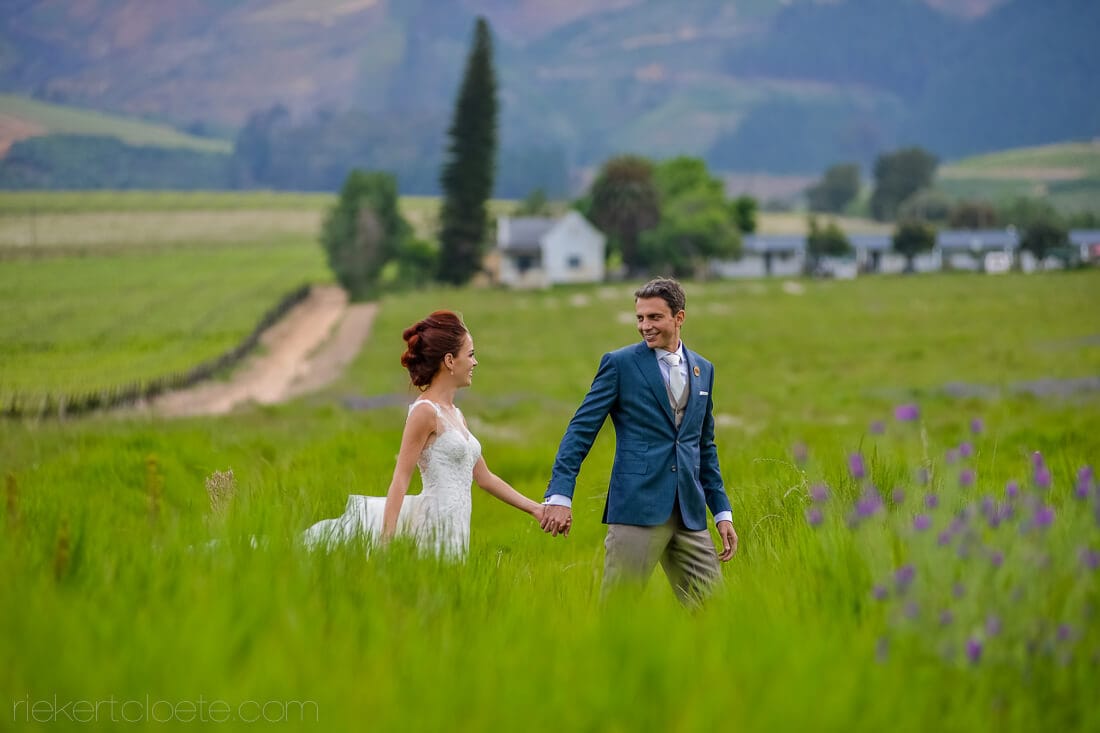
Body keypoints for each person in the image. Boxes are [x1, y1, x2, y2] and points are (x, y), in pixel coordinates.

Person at [541, 278, 738, 605]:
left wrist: (721, 512)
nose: (645, 326)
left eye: (654, 317)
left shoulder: (704, 369)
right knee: (620, 611)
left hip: (689, 514)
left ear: (679, 317)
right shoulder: (619, 365)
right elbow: (580, 431)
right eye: (640, 318)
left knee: (715, 612)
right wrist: (560, 494)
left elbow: (704, 446)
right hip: (636, 508)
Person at [304, 310, 545, 558]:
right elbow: (401, 477)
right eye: (470, 355)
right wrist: (386, 541)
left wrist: (536, 509)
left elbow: (485, 478)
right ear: (450, 361)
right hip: (432, 528)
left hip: (457, 530)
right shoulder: (425, 412)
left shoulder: (456, 415)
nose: (475, 363)